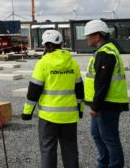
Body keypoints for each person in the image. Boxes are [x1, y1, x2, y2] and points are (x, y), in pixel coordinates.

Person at [22, 30, 84, 168]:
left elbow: (34, 91)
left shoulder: (43, 63)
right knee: (70, 149)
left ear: (45, 45)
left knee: (48, 150)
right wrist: (80, 109)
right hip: (69, 116)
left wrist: (27, 112)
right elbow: (79, 89)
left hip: (48, 117)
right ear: (61, 43)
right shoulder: (72, 63)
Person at [83, 19, 128, 168]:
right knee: (97, 135)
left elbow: (102, 83)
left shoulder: (106, 53)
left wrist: (95, 106)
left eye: (88, 35)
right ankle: (104, 163)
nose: (86, 38)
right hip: (103, 104)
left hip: (107, 104)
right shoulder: (104, 51)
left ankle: (114, 165)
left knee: (110, 139)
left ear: (97, 36)